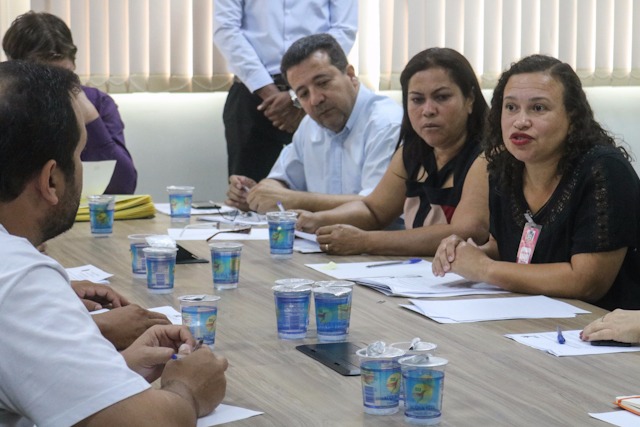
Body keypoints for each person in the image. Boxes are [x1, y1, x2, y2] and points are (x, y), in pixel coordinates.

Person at [0, 60, 227, 426]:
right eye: (79, 154)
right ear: (51, 181)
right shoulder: (18, 276)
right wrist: (187, 387)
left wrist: (108, 372)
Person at [432, 54, 640, 311]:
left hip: (601, 331)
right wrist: (465, 254)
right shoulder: (503, 167)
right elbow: (508, 248)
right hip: (530, 316)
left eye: (538, 108)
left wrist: (485, 269)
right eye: (510, 107)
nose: (520, 121)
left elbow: (587, 282)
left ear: (572, 117)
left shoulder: (603, 169)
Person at [294, 47, 490, 256]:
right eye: (417, 99)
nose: (428, 110)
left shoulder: (486, 155)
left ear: (470, 99)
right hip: (420, 277)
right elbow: (374, 210)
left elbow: (467, 231)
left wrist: (366, 241)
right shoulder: (412, 152)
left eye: (441, 97)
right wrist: (316, 220)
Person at [225, 33, 402, 214]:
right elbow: (281, 179)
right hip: (318, 239)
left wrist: (294, 200)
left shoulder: (386, 124)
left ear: (350, 75)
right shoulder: (310, 125)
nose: (315, 99)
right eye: (303, 94)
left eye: (323, 83)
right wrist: (259, 193)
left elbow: (374, 204)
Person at [214, 0, 358, 182]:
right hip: (252, 96)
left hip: (318, 96)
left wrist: (297, 95)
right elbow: (226, 29)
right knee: (248, 194)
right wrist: (271, 92)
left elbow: (344, 29)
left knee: (321, 184)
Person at [3, 10, 138, 194]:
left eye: (64, 75)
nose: (56, 87)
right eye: (46, 77)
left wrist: (90, 118)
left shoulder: (97, 103)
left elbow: (123, 186)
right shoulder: (7, 106)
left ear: (73, 66)